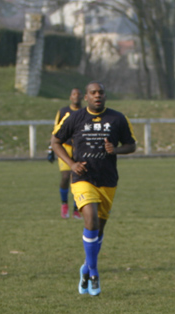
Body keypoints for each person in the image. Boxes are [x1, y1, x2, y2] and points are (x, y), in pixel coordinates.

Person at [51, 81, 137, 296]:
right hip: (83, 177)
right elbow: (55, 141)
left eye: (100, 92)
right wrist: (71, 164)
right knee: (90, 219)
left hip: (107, 179)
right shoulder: (75, 118)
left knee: (99, 230)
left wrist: (116, 150)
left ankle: (85, 268)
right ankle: (94, 272)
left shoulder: (117, 118)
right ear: (86, 97)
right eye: (93, 93)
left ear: (104, 96)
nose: (97, 95)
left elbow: (132, 145)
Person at [48, 87, 83, 219]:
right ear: (70, 97)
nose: (76, 96)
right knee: (65, 176)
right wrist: (51, 149)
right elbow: (55, 131)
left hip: (79, 148)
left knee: (76, 177)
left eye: (78, 94)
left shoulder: (85, 112)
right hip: (65, 147)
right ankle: (64, 204)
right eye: (74, 94)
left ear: (82, 97)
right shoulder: (63, 112)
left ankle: (76, 208)